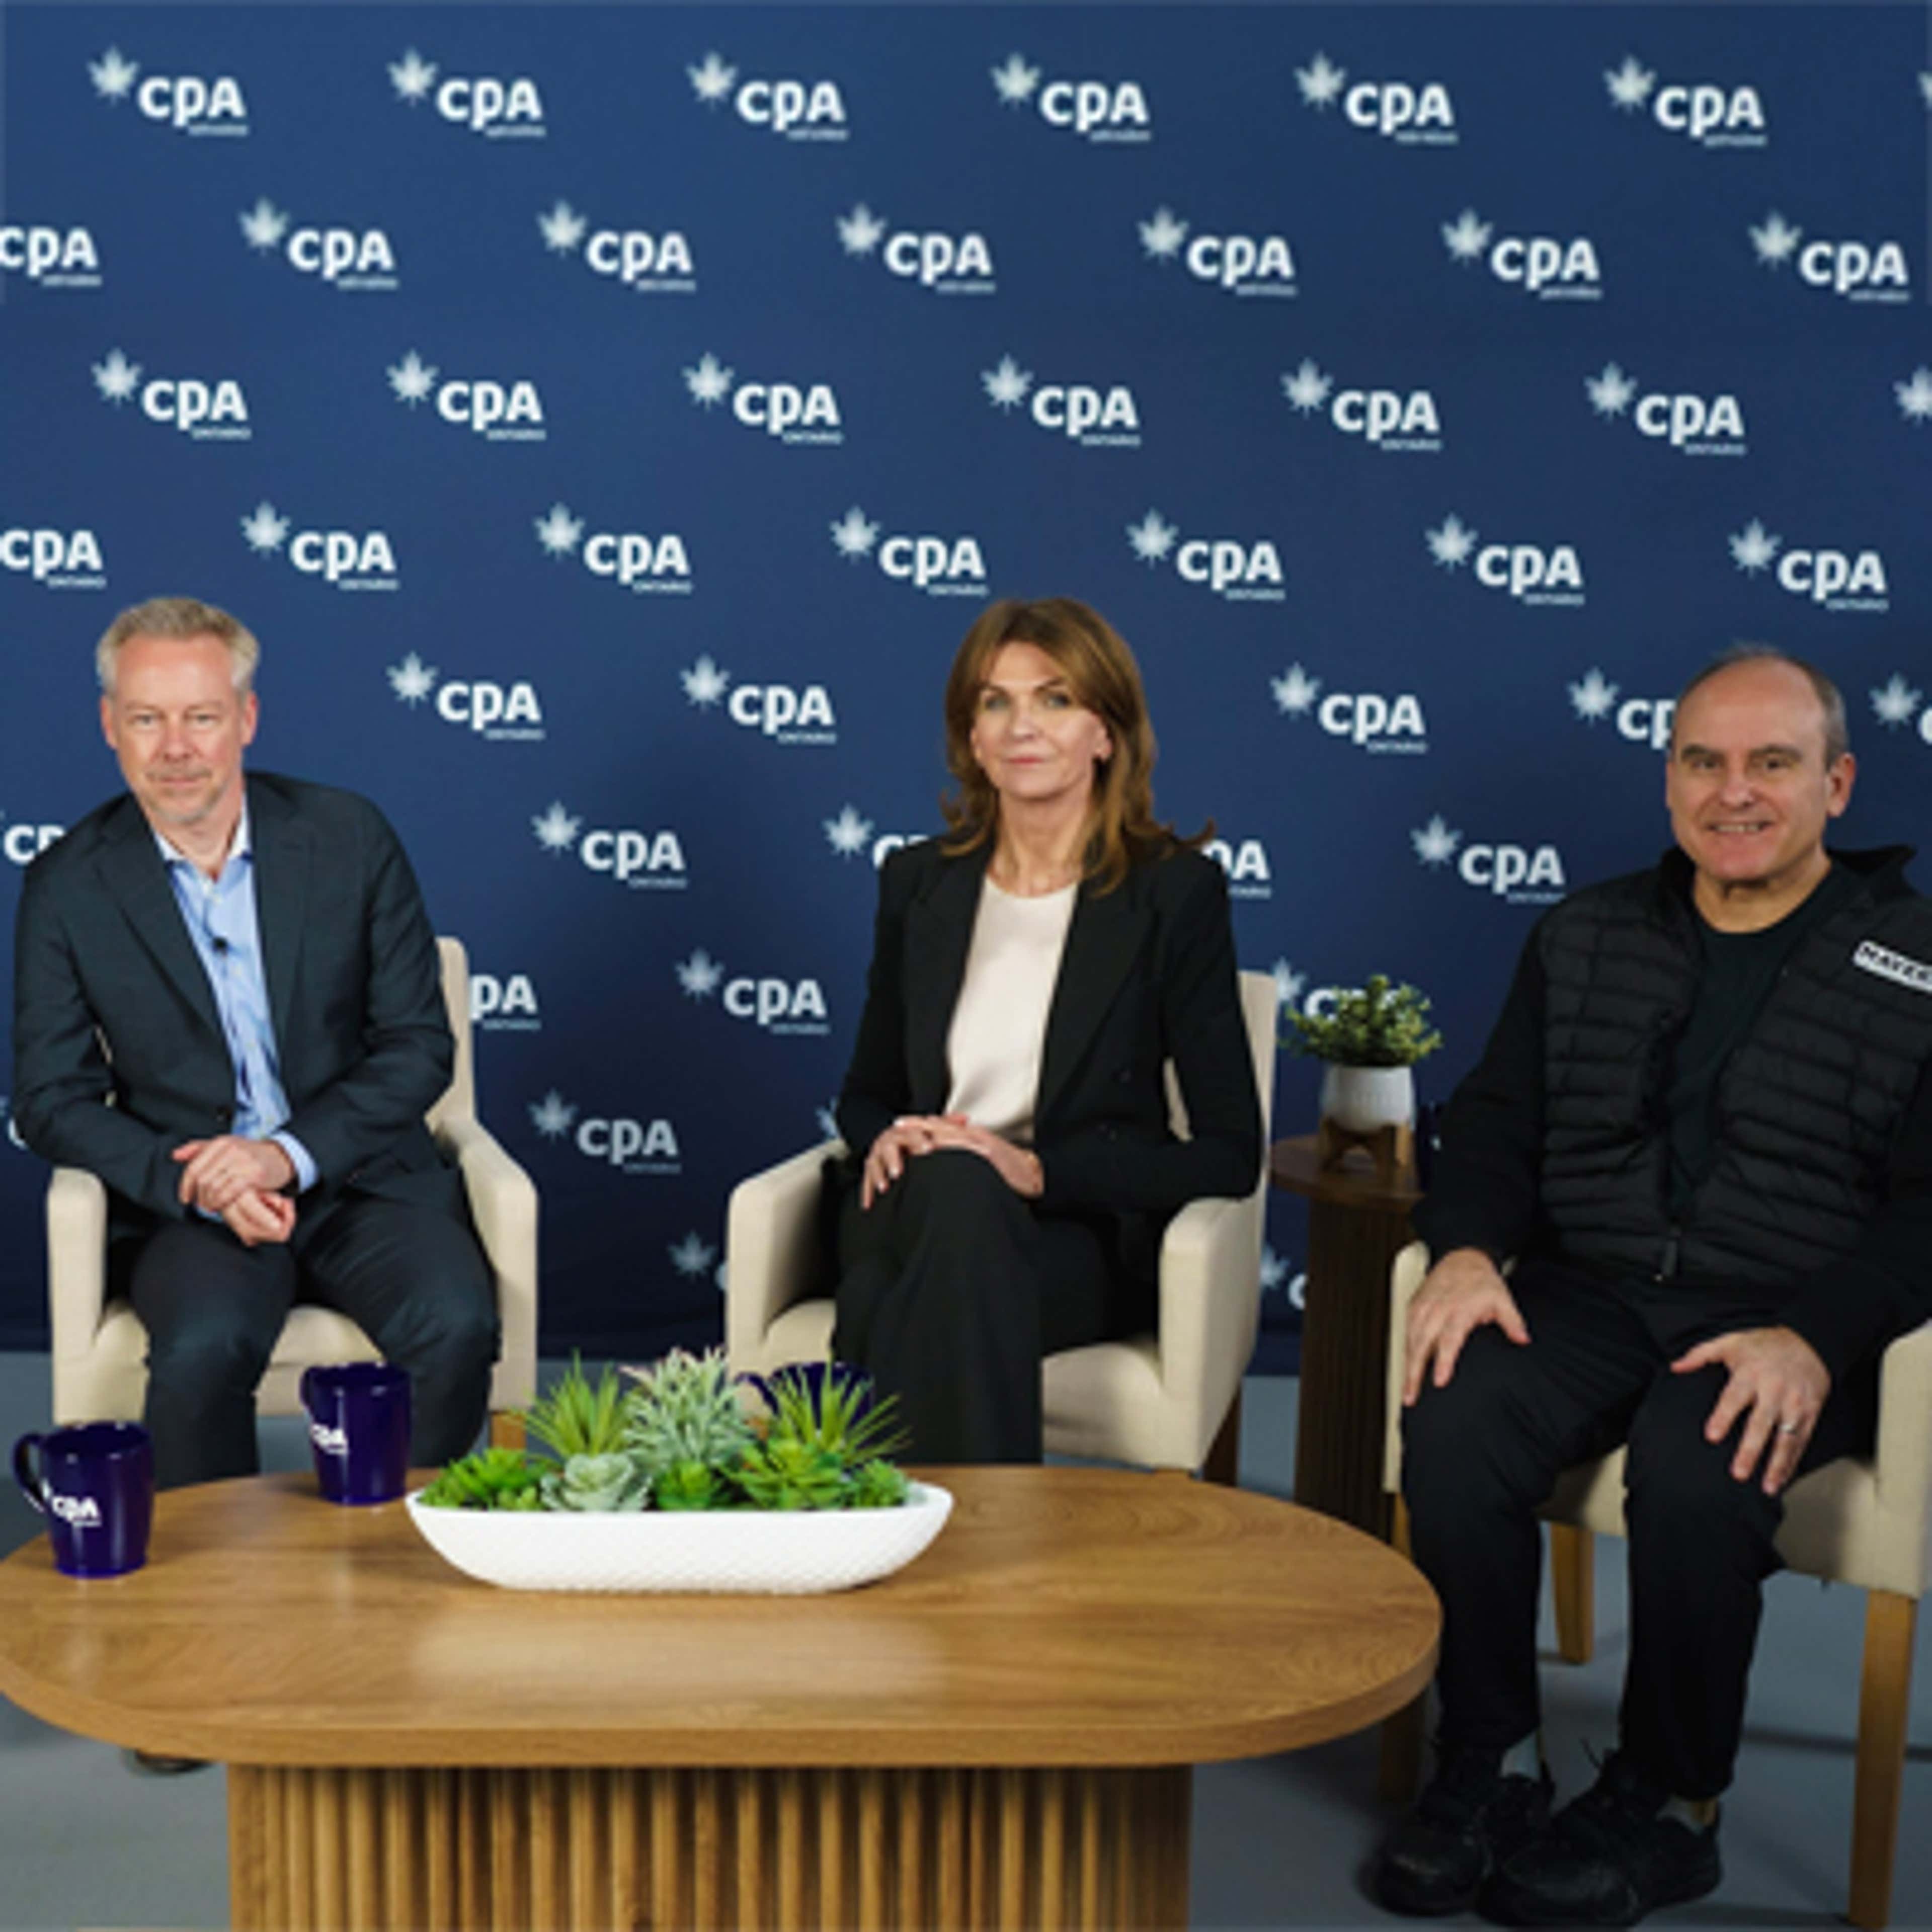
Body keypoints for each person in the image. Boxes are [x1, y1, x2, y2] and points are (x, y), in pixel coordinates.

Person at [1374, 648, 1932, 1926]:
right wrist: (1465, 1248)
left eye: (1772, 764)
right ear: (1670, 780)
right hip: (1590, 1292)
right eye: (1703, 763)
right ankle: (1492, 1760)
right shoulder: (1583, 932)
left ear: (1838, 785)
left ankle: (1670, 1805)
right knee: (1456, 1410)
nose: (1734, 793)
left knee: (1700, 1466)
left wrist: (1815, 1336)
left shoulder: (1920, 965)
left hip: (1785, 1316)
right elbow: (1495, 1124)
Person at [12, 596, 498, 1490]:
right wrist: (194, 1177)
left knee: (456, 1321)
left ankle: (402, 1564)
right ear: (109, 727)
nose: (176, 748)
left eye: (201, 717)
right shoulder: (66, 885)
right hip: (192, 1198)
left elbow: (418, 1045)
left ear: (246, 719)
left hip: (359, 1178)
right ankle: (222, 1609)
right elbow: (49, 1098)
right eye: (147, 720)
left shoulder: (350, 838)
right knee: (203, 1346)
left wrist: (281, 1157)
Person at [831, 596, 1262, 1462]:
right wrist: (885, 1136)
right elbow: (867, 1090)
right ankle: (989, 1570)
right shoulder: (917, 883)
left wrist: (1034, 1168)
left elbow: (1228, 1151)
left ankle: (907, 1539)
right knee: (949, 1191)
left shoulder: (1173, 897)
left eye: (1054, 700)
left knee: (901, 1292)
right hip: (909, 1206)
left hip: (1070, 1234)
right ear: (973, 740)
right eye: (995, 702)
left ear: (1106, 733)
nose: (1022, 725)